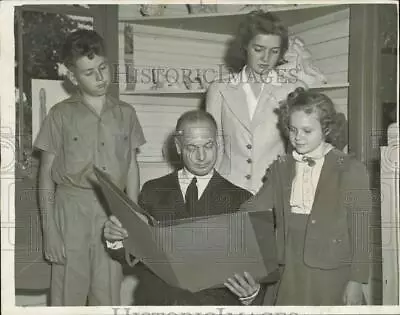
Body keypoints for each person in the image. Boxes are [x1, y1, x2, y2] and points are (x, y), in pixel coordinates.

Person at [224, 87, 371, 305]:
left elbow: (360, 229)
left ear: (327, 129)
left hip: (331, 273)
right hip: (289, 266)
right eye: (293, 130)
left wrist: (357, 281)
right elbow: (254, 208)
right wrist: (222, 223)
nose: (297, 137)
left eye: (307, 131)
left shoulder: (350, 168)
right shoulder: (281, 167)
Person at [103, 110, 265, 305]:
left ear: (218, 144)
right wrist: (116, 239)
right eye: (192, 147)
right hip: (159, 304)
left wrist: (251, 295)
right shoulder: (153, 191)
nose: (201, 156)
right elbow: (134, 258)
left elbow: (258, 270)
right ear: (178, 147)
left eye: (208, 146)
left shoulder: (241, 199)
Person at [34, 29, 146, 306]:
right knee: (67, 298)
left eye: (103, 68)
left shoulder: (126, 113)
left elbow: (132, 166)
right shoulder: (59, 115)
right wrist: (50, 231)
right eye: (88, 72)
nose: (100, 78)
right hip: (70, 212)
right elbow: (46, 176)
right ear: (72, 77)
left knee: (107, 296)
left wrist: (131, 217)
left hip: (112, 214)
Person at [206, 10, 307, 194]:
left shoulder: (293, 89)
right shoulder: (219, 89)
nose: (265, 59)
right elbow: (215, 145)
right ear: (245, 46)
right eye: (258, 49)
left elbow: (300, 149)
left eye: (274, 51)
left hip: (274, 191)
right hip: (227, 190)